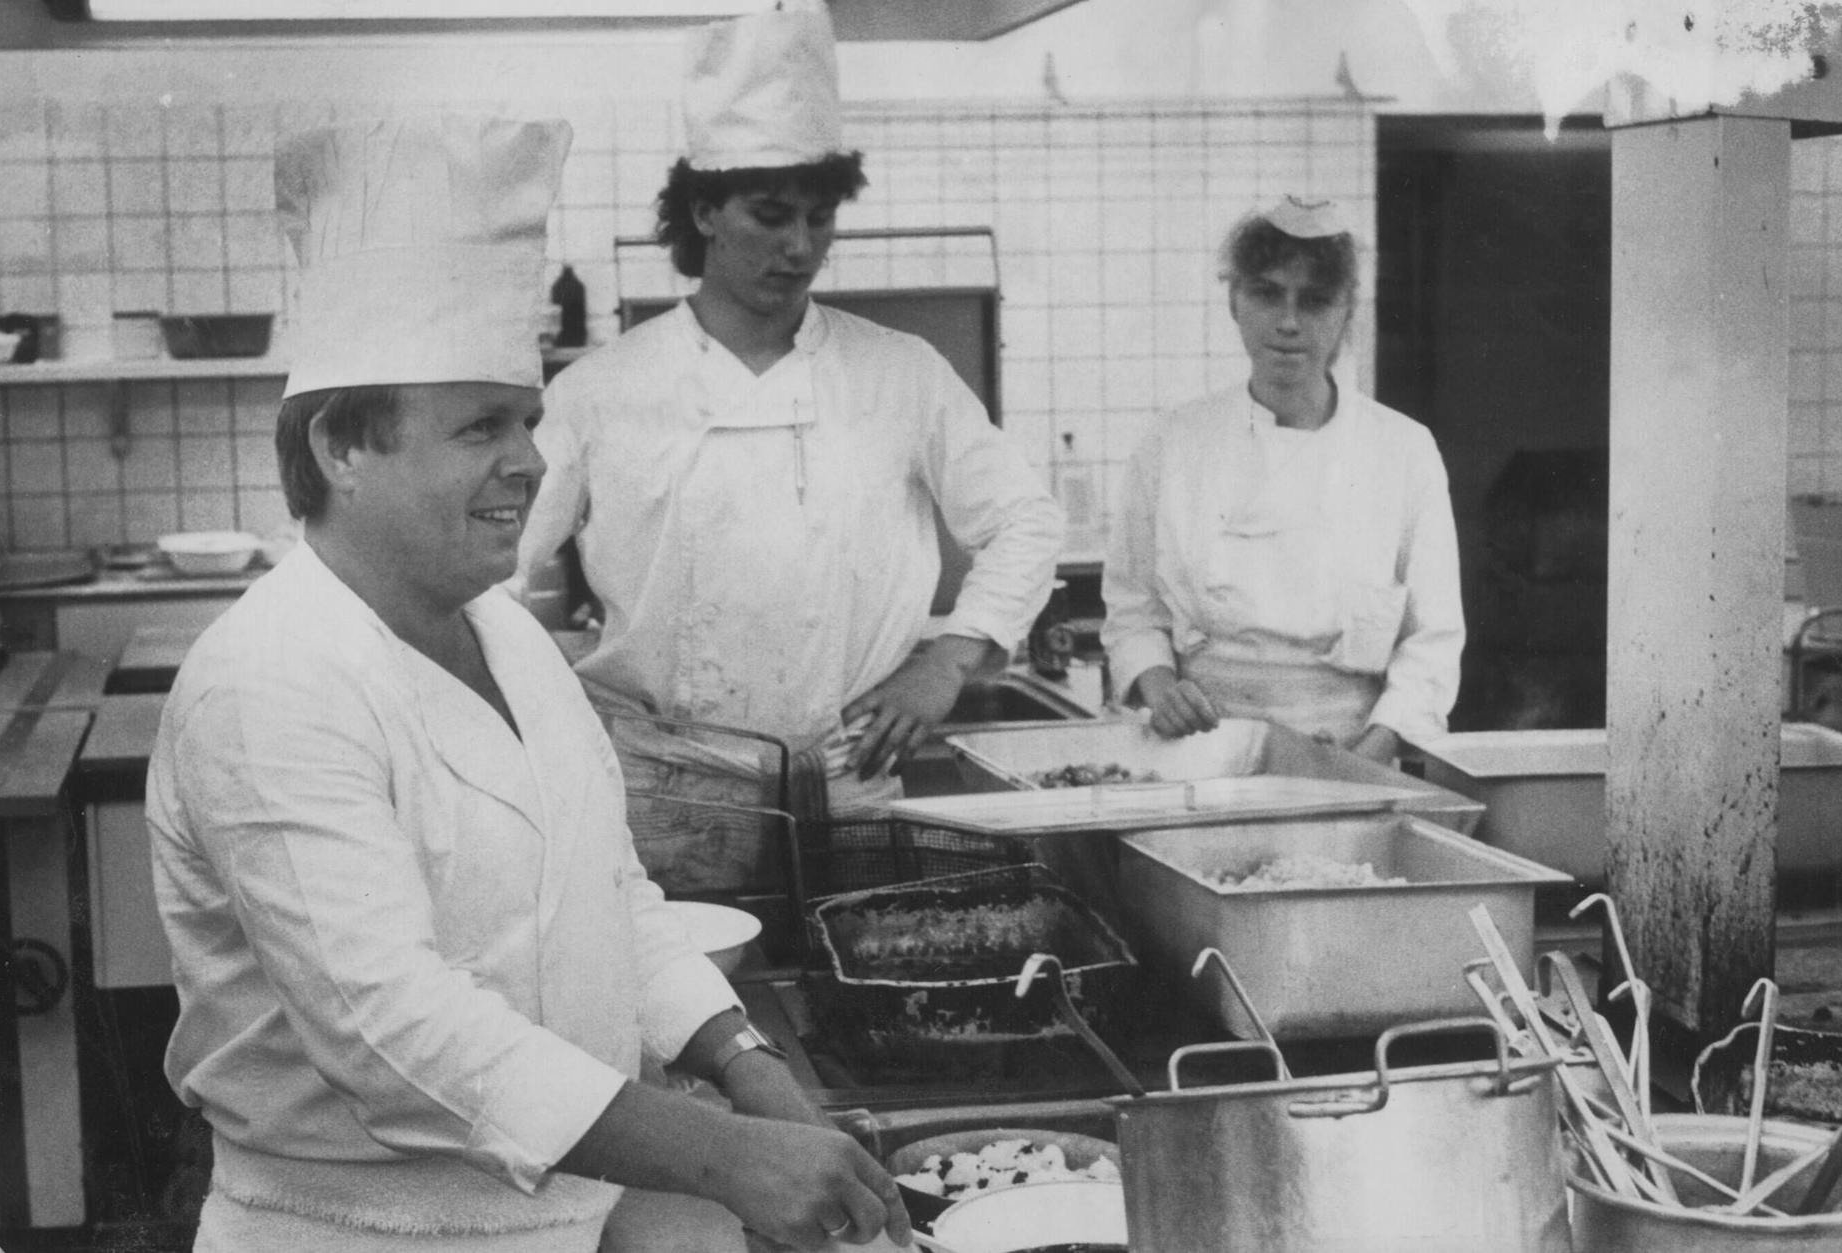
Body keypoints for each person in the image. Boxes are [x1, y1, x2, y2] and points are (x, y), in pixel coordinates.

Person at [146, 113, 909, 1253]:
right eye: (478, 428)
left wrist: (750, 1071)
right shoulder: (270, 683)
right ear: (343, 452)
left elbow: (616, 898)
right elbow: (388, 1032)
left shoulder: (505, 637)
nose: (530, 461)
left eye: (527, 419)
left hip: (557, 1204)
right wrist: (721, 1156)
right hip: (360, 1231)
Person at [513, 2, 1063, 893]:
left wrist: (947, 659)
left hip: (846, 783)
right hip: (664, 793)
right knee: (681, 1007)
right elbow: (492, 566)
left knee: (854, 1004)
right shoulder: (600, 391)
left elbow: (1028, 522)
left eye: (819, 217)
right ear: (705, 210)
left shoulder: (900, 374)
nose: (800, 246)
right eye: (771, 215)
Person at [1101, 196, 1463, 761]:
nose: (1289, 322)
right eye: (1267, 293)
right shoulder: (1172, 442)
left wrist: (1365, 757)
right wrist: (1162, 690)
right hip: (1197, 747)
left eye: (1314, 301)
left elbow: (1433, 639)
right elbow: (1132, 608)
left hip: (1348, 750)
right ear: (1233, 300)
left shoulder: (1404, 449)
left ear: (1346, 312)